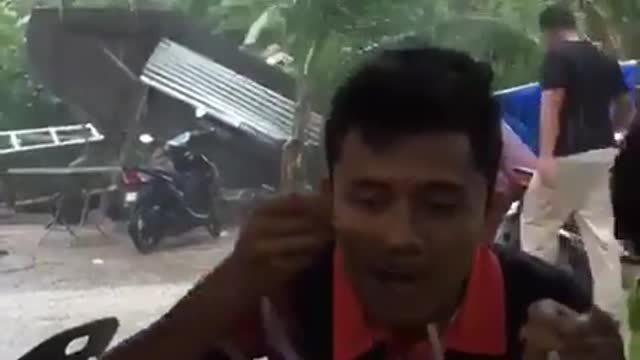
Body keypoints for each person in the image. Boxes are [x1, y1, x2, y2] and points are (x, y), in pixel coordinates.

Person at [103, 47, 624, 360]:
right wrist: (224, 290)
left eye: (439, 204)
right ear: (329, 202)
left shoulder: (547, 312)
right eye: (370, 200)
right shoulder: (286, 297)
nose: (400, 236)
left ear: (490, 209)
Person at [519, 3, 636, 342]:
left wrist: (545, 156)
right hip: (601, 155)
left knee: (537, 230)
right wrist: (614, 133)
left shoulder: (557, 56)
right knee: (601, 240)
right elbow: (626, 106)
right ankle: (614, 327)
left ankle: (535, 316)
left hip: (566, 156)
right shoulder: (602, 57)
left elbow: (552, 102)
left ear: (550, 31)